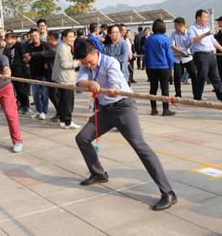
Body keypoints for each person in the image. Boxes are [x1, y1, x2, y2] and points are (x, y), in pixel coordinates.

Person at [74, 39, 177, 211]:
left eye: (89, 62)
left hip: (123, 107)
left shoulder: (110, 62)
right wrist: (89, 83)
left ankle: (168, 193)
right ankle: (98, 173)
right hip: (105, 110)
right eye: (84, 64)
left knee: (140, 147)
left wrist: (112, 88)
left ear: (94, 53)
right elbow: (79, 83)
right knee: (82, 138)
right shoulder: (86, 65)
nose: (88, 66)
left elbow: (115, 86)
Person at [188, 9, 222, 103]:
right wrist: (206, 34)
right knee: (202, 77)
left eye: (207, 17)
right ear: (198, 18)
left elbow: (214, 41)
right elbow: (193, 40)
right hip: (201, 55)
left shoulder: (207, 28)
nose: (206, 19)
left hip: (211, 55)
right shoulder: (192, 28)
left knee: (216, 78)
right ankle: (197, 96)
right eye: (205, 17)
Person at [144, 19, 175, 116]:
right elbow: (169, 55)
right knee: (164, 89)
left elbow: (146, 54)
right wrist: (171, 68)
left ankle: (154, 109)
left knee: (153, 88)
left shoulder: (148, 39)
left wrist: (147, 67)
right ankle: (165, 110)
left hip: (151, 67)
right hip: (163, 67)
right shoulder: (165, 39)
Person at [51, 29, 81, 129]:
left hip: (63, 78)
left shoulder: (64, 46)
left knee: (63, 100)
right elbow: (64, 65)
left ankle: (63, 121)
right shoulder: (63, 48)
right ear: (64, 38)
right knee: (68, 101)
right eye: (70, 37)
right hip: (65, 79)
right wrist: (76, 63)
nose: (72, 39)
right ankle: (68, 122)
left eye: (73, 36)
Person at [24, 28, 51, 120]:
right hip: (33, 73)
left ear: (39, 35)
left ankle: (44, 111)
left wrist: (34, 55)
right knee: (35, 94)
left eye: (36, 35)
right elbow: (25, 58)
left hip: (44, 73)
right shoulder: (28, 46)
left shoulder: (45, 45)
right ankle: (38, 110)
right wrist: (27, 59)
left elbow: (48, 54)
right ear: (30, 37)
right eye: (32, 36)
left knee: (44, 93)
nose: (34, 37)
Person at [3, 32, 31, 115]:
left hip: (21, 71)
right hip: (13, 71)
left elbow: (24, 56)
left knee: (22, 88)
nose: (6, 41)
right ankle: (21, 105)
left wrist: (25, 67)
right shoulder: (9, 48)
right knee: (17, 89)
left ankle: (26, 106)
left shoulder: (19, 45)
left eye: (7, 39)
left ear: (11, 38)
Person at [171, 17, 198, 98]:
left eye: (175, 25)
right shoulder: (174, 33)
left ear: (181, 25)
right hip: (177, 58)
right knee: (177, 76)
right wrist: (181, 52)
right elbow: (172, 46)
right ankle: (178, 94)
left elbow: (193, 44)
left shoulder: (190, 33)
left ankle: (196, 94)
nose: (174, 27)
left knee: (194, 74)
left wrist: (188, 52)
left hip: (188, 58)